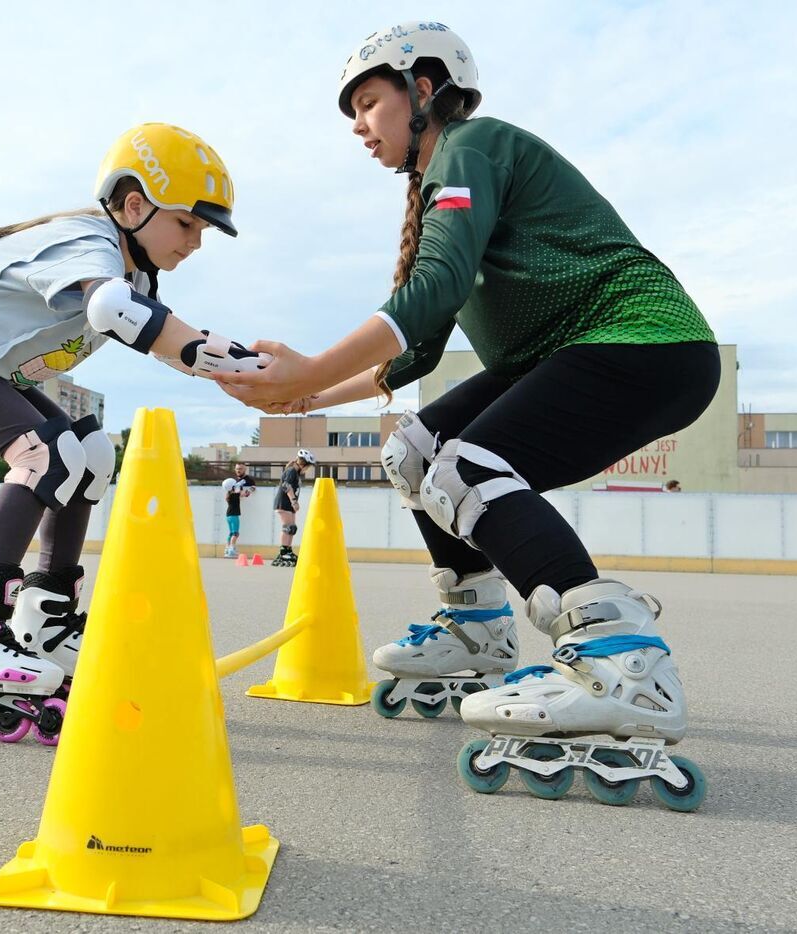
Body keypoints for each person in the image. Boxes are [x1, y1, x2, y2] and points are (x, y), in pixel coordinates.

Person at [216, 22, 718, 793]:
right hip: (572, 351)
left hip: (644, 343)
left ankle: (621, 661)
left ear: (423, 90)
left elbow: (431, 294)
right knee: (416, 449)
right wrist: (304, 395)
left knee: (470, 467)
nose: (358, 125)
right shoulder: (442, 178)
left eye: (368, 102)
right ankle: (479, 629)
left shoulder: (470, 147)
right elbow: (411, 350)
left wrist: (310, 368)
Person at [0, 123, 268, 743]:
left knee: (88, 452)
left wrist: (250, 383)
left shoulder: (134, 271)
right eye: (189, 223)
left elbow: (160, 342)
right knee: (46, 454)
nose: (197, 242)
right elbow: (115, 312)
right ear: (133, 205)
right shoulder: (90, 241)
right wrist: (239, 360)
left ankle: (44, 625)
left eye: (205, 231)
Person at [271, 450, 314, 567]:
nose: (307, 470)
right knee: (288, 527)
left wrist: (293, 504)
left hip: (288, 504)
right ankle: (283, 552)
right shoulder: (291, 471)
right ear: (303, 464)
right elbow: (286, 486)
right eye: (308, 467)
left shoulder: (295, 473)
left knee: (292, 528)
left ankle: (288, 550)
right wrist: (294, 501)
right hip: (283, 503)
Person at [221, 462, 257, 558]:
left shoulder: (229, 493)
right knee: (235, 533)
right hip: (234, 514)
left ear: (244, 469)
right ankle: (231, 549)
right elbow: (243, 493)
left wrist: (248, 490)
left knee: (231, 532)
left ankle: (227, 548)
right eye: (237, 468)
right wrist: (247, 492)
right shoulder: (235, 492)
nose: (238, 470)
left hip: (228, 514)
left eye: (240, 468)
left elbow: (250, 488)